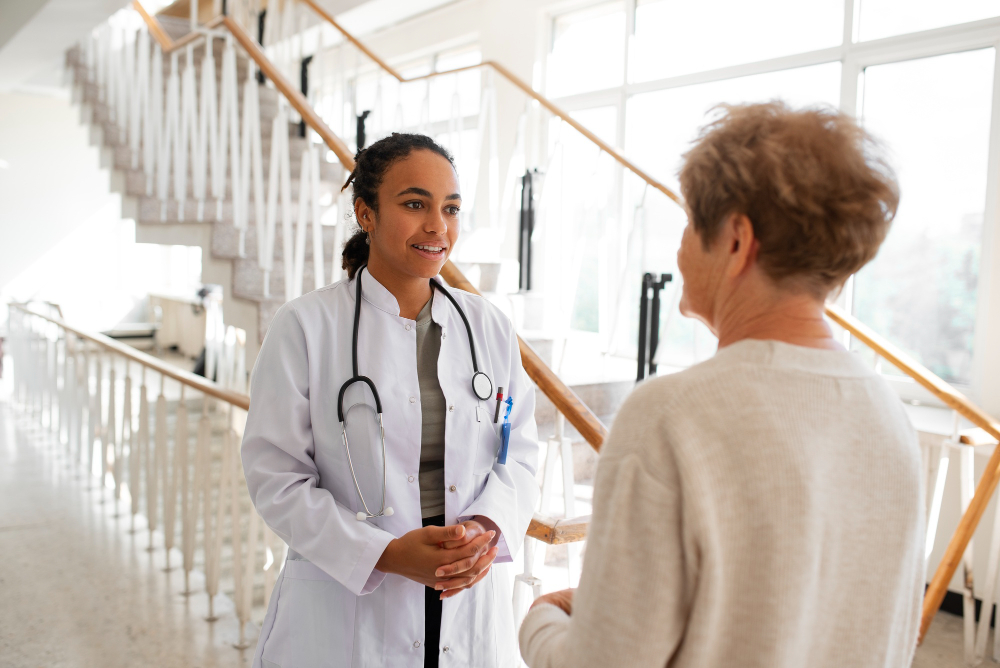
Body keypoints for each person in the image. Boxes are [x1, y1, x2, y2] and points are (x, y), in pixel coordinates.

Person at [518, 102, 924, 667]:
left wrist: (542, 621)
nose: (680, 248)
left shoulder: (671, 415)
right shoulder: (890, 418)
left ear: (736, 239)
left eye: (688, 222)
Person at [242, 133, 540, 668]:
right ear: (367, 213)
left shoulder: (488, 327)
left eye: (450, 208)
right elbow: (277, 477)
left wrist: (486, 526)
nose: (437, 226)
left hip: (464, 594)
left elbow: (518, 453)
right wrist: (385, 553)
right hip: (350, 599)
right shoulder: (306, 326)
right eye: (414, 204)